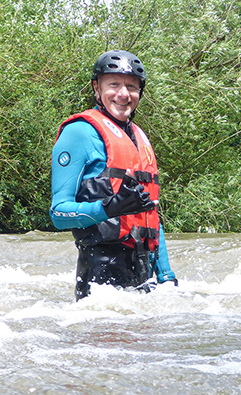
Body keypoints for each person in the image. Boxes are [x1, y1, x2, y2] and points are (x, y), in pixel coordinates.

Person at [50, 50, 177, 300]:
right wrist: (109, 208)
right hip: (99, 276)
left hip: (143, 273)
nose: (123, 94)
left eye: (131, 86)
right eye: (114, 84)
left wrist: (166, 275)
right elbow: (58, 214)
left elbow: (150, 213)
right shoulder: (79, 134)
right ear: (97, 88)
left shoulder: (139, 137)